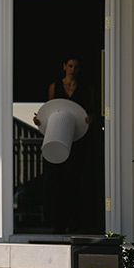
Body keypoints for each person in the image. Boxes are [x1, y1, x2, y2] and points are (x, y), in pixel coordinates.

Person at [34, 55, 95, 234]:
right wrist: (40, 121)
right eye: (70, 66)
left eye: (76, 66)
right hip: (58, 137)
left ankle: (75, 222)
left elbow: (91, 113)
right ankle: (58, 223)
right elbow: (49, 110)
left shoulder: (86, 89)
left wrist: (90, 119)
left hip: (77, 140)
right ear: (64, 67)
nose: (73, 70)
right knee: (56, 181)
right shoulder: (55, 87)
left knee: (75, 181)